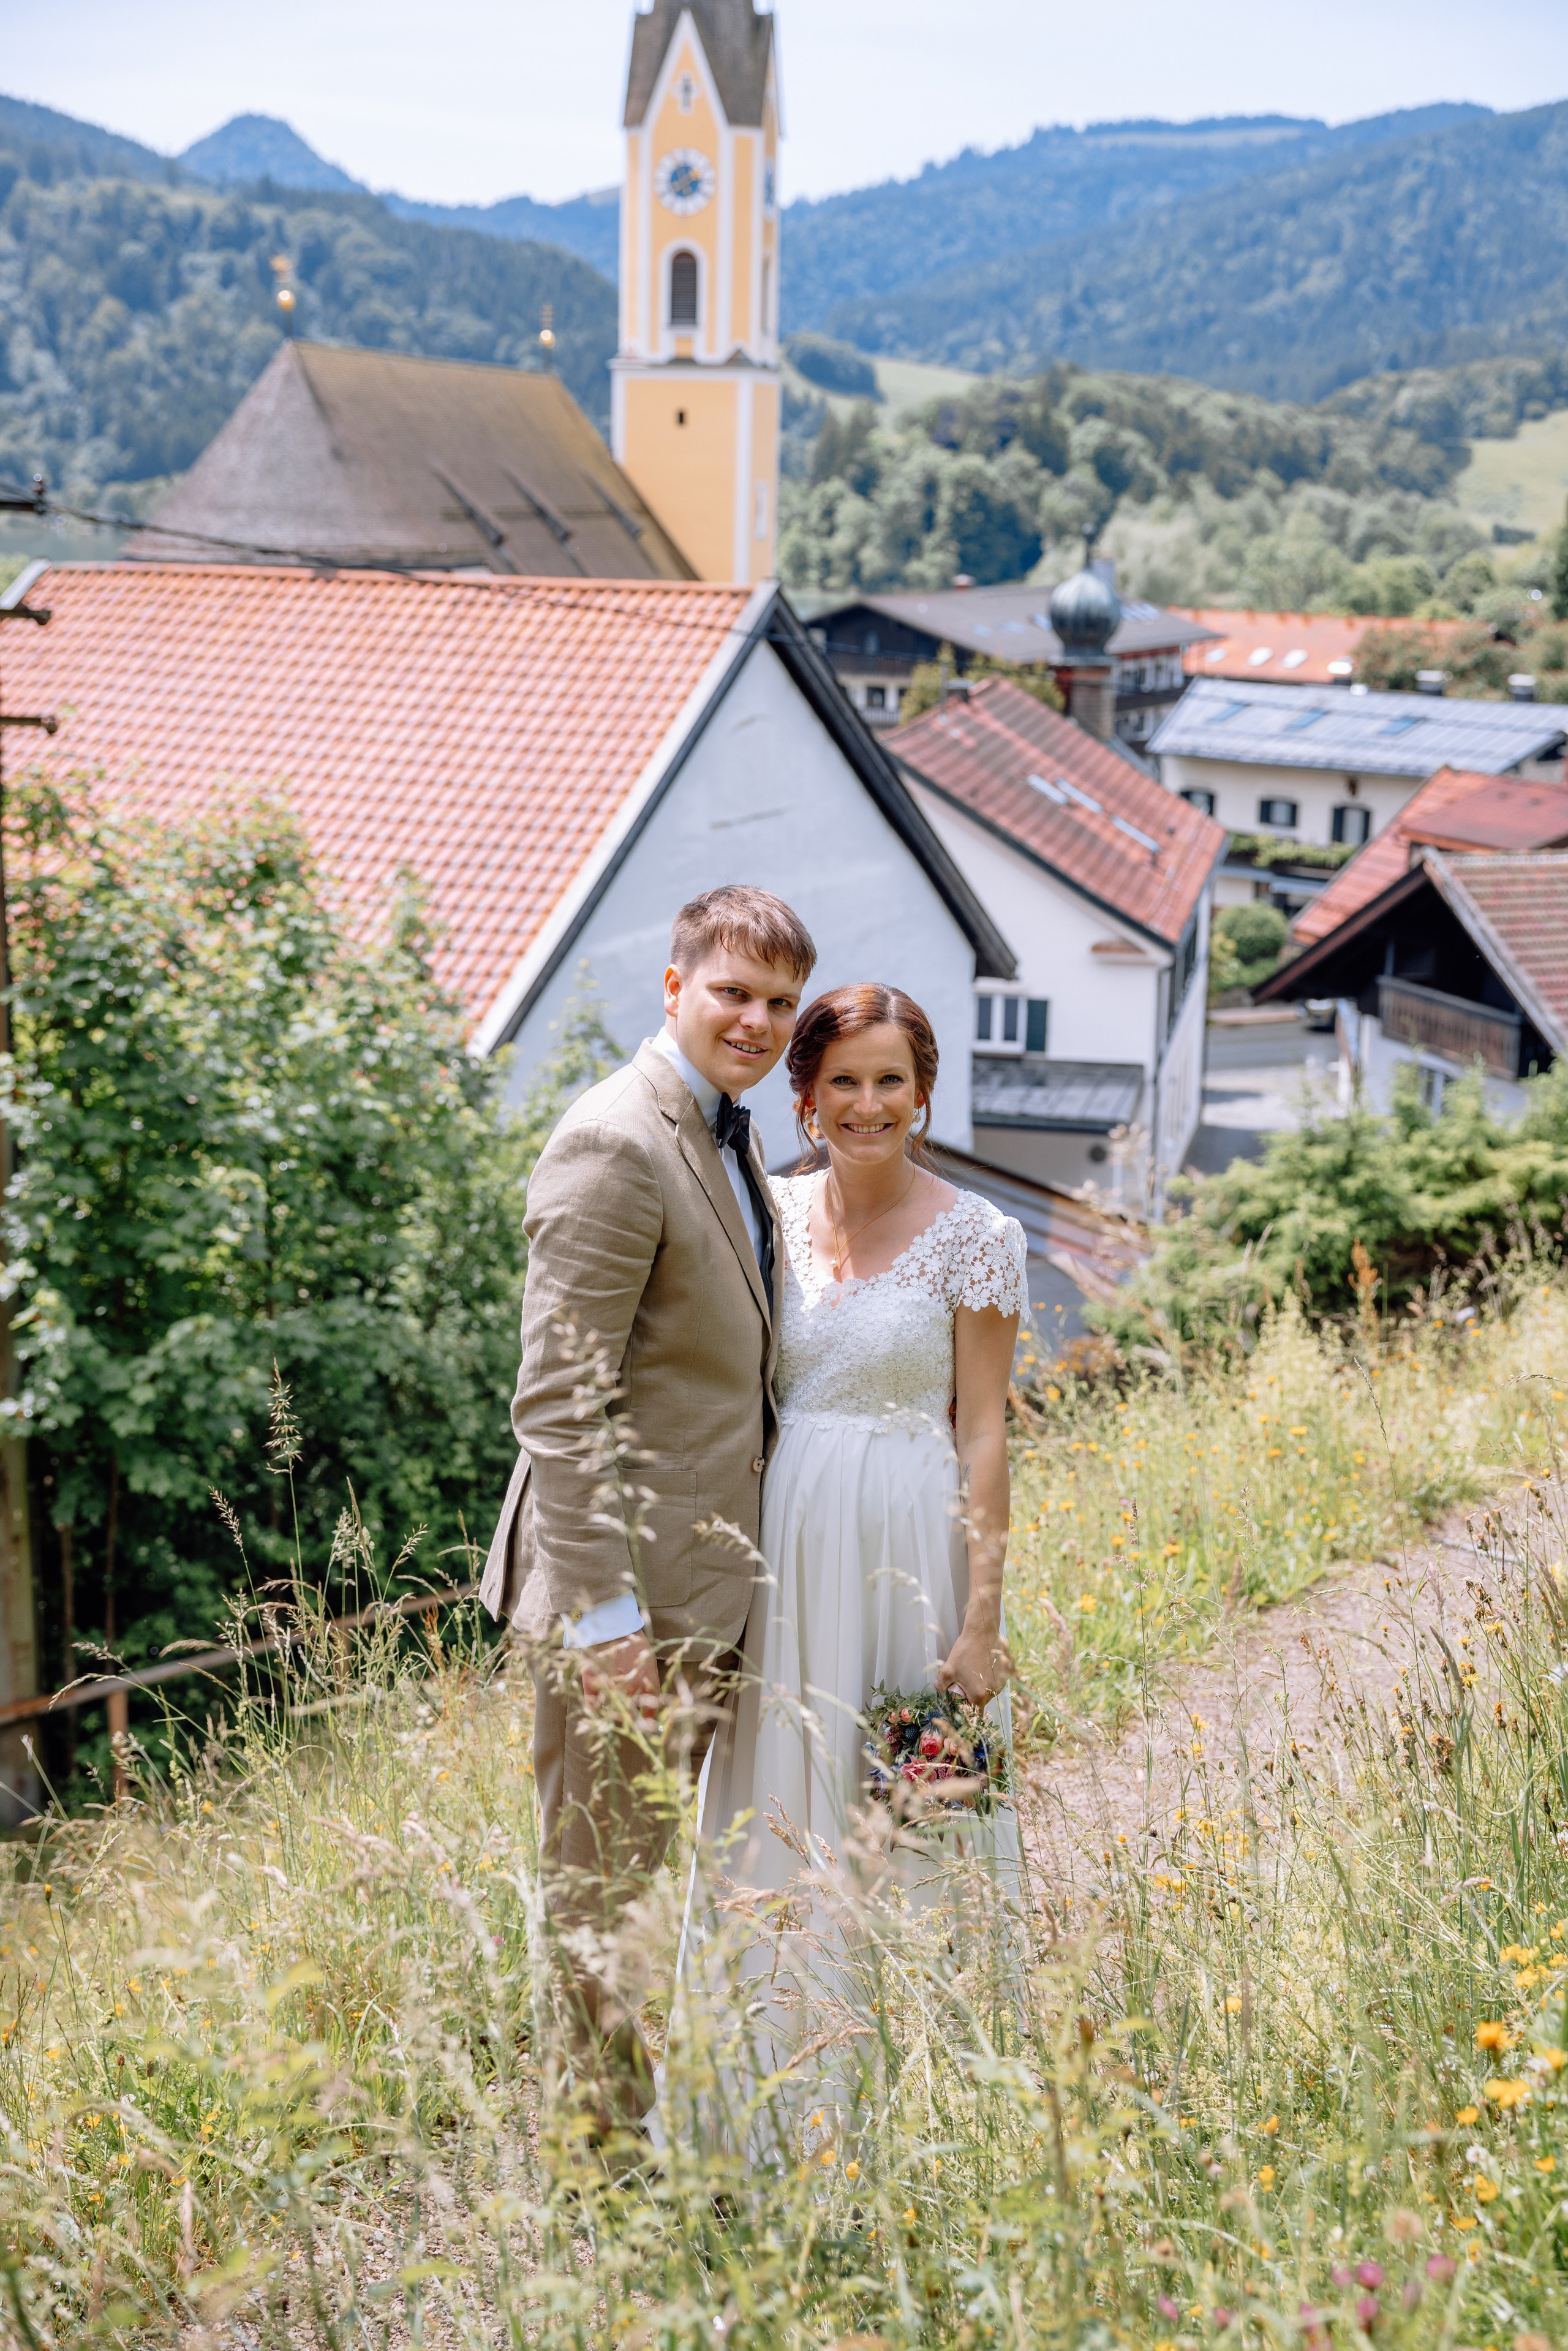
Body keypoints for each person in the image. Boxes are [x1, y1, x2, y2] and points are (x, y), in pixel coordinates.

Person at [480, 885, 817, 2134]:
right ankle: (593, 2172)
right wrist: (609, 1618)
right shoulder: (613, 1141)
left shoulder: (723, 1134)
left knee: (658, 1883)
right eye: (734, 990)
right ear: (674, 984)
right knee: (602, 1894)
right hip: (628, 1602)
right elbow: (557, 1406)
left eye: (779, 1001)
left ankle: (644, 2129)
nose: (758, 1019)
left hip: (711, 1582)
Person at [693, 983, 1027, 2117]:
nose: (868, 1102)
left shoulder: (978, 1238)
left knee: (910, 1808)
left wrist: (981, 1620)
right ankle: (765, 2092)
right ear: (806, 1096)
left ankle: (921, 2093)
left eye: (891, 1080)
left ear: (924, 1093)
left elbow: (982, 1430)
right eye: (844, 1079)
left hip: (910, 1553)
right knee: (774, 1800)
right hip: (784, 1554)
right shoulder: (768, 1220)